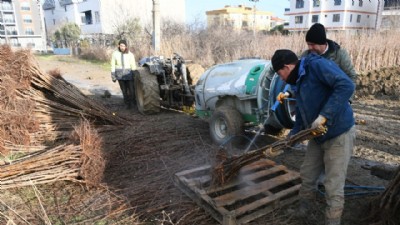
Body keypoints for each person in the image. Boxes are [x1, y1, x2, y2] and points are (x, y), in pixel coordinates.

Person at [271, 49, 356, 225]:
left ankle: (332, 221)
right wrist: (291, 138)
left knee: (333, 185)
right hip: (317, 135)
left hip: (338, 133)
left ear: (287, 67)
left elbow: (347, 85)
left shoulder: (317, 66)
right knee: (308, 174)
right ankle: (304, 210)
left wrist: (325, 115)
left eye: (280, 74)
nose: (282, 79)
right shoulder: (298, 79)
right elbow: (302, 113)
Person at [277, 23, 357, 104]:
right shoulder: (306, 56)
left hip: (334, 102)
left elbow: (351, 77)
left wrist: (347, 100)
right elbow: (298, 79)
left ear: (322, 43)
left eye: (313, 44)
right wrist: (288, 93)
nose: (310, 48)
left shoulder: (339, 55)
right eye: (308, 44)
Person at [111, 39, 137, 109]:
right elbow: (113, 65)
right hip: (120, 75)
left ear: (126, 46)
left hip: (129, 74)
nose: (122, 47)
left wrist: (134, 74)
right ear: (118, 46)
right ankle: (126, 103)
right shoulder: (115, 54)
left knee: (132, 90)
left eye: (124, 46)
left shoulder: (130, 54)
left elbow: (133, 65)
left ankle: (132, 103)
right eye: (121, 45)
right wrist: (113, 75)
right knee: (124, 90)